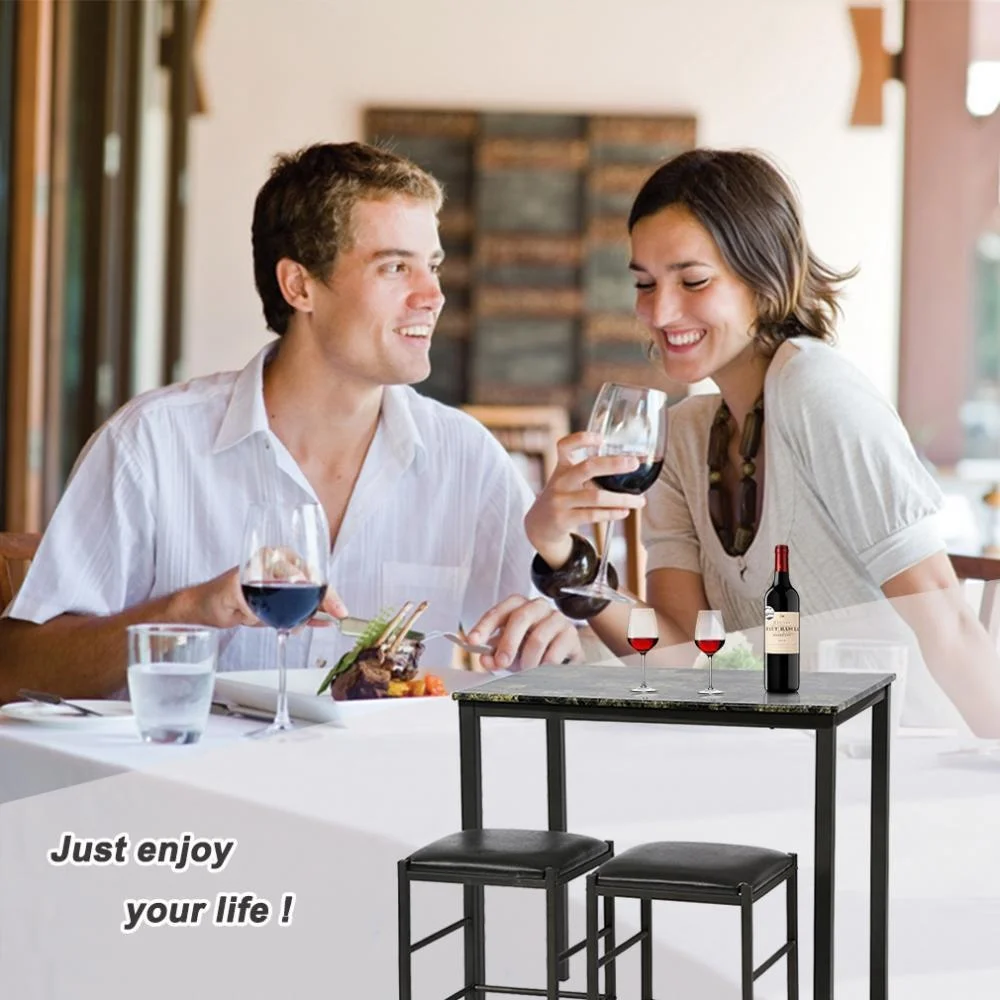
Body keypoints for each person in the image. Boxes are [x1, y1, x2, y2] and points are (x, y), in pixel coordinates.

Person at [0, 141, 580, 702]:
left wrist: (553, 639)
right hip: (187, 793)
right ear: (300, 285)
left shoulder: (466, 459)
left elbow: (548, 655)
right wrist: (190, 612)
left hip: (386, 793)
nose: (433, 295)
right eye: (395, 267)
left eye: (431, 266)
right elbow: (17, 670)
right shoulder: (150, 444)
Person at [471, 147, 1000, 737]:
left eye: (692, 280)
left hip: (902, 756)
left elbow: (947, 621)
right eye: (645, 283)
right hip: (783, 758)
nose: (659, 311)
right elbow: (678, 658)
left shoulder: (816, 389)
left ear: (764, 274)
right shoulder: (684, 436)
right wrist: (560, 552)